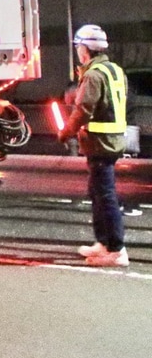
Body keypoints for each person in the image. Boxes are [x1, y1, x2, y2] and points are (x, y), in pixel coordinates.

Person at [56, 24, 129, 267]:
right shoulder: (114, 71)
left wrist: (66, 132)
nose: (78, 51)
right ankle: (103, 242)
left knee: (105, 195)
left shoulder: (94, 75)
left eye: (79, 47)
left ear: (85, 49)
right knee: (97, 193)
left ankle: (116, 249)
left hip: (100, 143)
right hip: (111, 140)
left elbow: (84, 109)